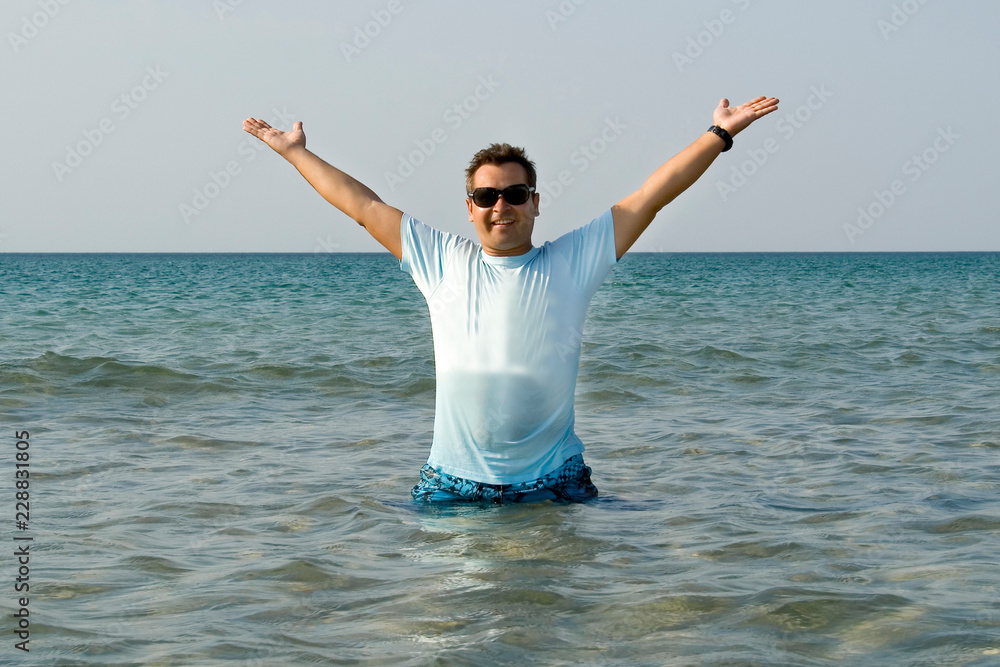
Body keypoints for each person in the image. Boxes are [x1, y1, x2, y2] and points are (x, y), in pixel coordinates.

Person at [243, 95, 779, 504]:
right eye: (487, 196)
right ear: (470, 207)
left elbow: (651, 196)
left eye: (516, 194)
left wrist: (719, 134)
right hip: (452, 486)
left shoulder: (573, 260)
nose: (502, 206)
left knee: (561, 633)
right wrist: (295, 154)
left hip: (556, 482)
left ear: (535, 203)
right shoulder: (441, 260)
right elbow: (361, 205)